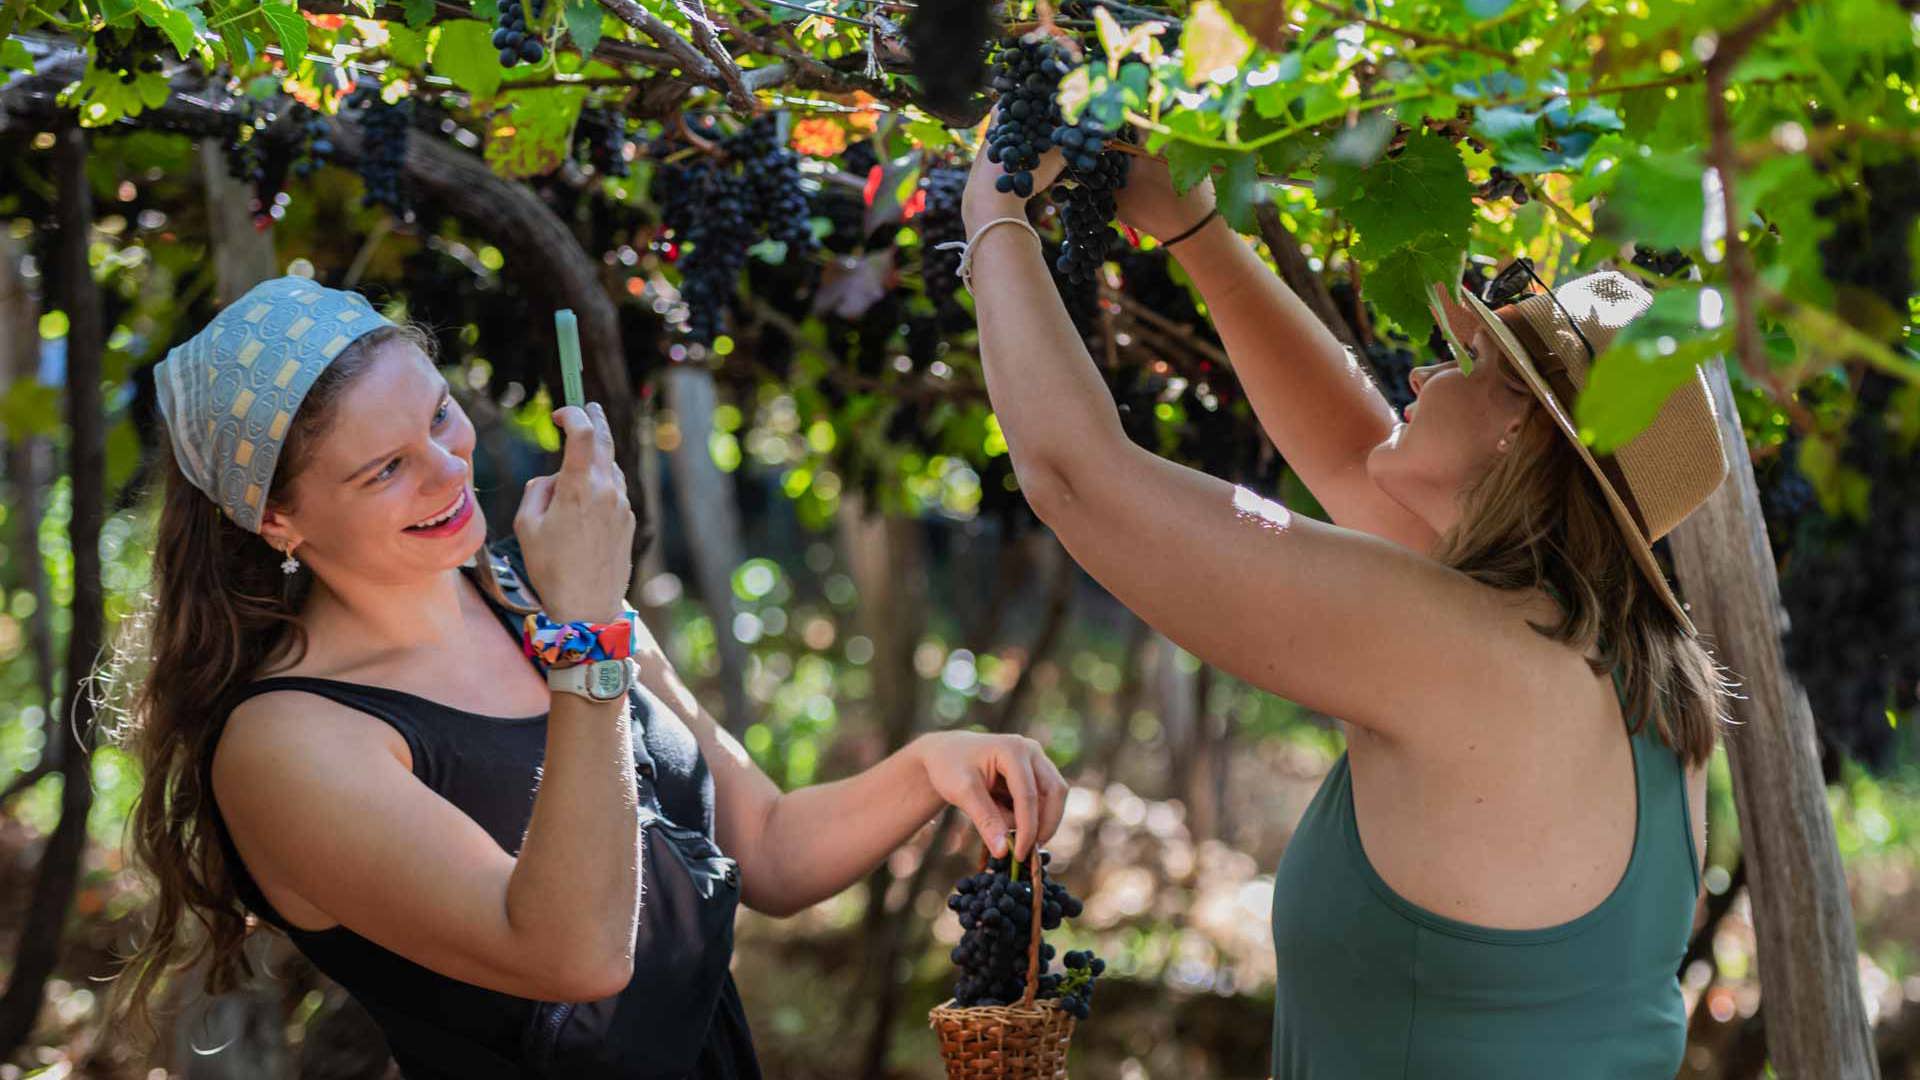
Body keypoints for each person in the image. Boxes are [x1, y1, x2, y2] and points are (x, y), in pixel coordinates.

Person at [99, 276, 1069, 1079]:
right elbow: (575, 953)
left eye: (441, 416)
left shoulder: (527, 600)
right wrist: (592, 628)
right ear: (278, 521)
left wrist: (928, 766)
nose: (448, 470)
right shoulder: (290, 742)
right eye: (385, 469)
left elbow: (767, 849)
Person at [953, 115, 1732, 1078]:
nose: (1421, 368)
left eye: (1472, 365)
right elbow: (1350, 459)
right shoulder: (1609, 668)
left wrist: (991, 211)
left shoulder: (1466, 658)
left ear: (1520, 433)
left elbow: (1077, 477)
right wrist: (1196, 230)